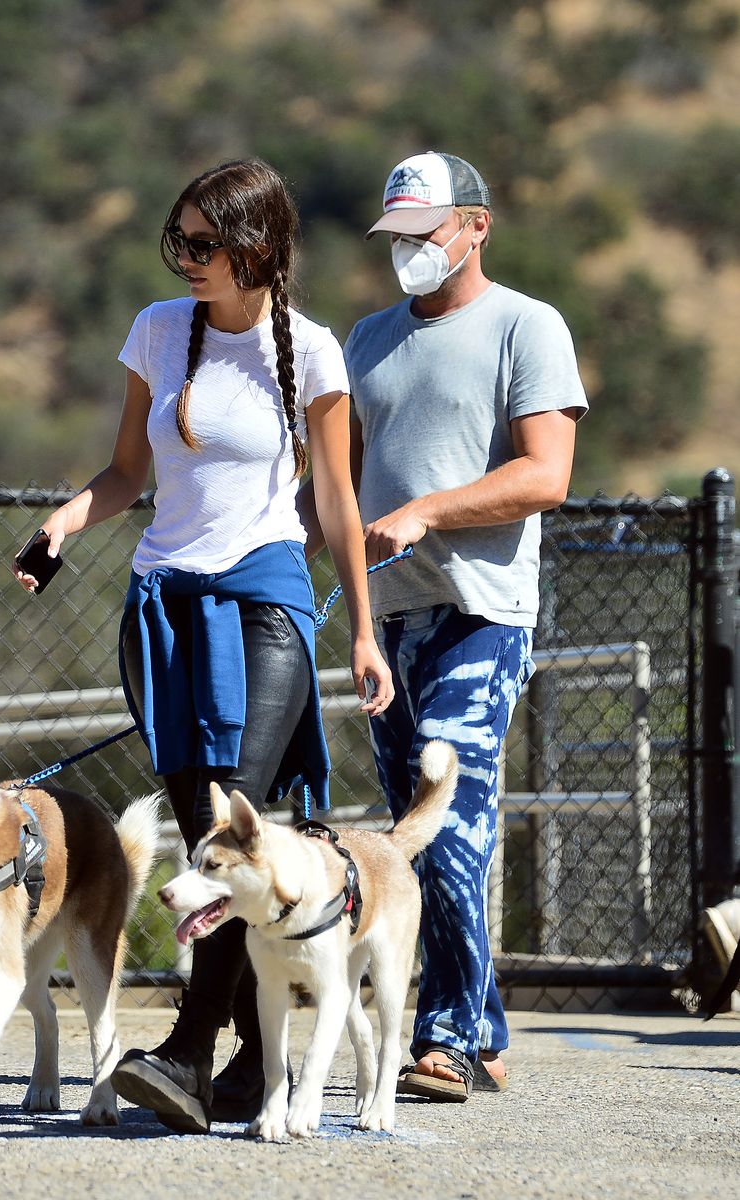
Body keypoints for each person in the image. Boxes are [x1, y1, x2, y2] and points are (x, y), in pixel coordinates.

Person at [13, 158, 393, 1133]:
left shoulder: (313, 354)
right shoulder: (157, 331)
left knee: (236, 819)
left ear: (256, 248)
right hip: (162, 605)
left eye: (201, 242)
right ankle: (254, 1061)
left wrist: (358, 628)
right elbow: (127, 470)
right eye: (175, 240)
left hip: (266, 599)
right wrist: (60, 526)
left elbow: (339, 503)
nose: (184, 258)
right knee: (201, 833)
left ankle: (186, 1050)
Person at [305, 150, 588, 1101]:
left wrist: (428, 509)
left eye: (424, 235)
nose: (407, 255)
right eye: (395, 239)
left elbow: (545, 475)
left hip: (480, 613)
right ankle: (486, 1022)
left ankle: (445, 1033)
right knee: (411, 833)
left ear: (474, 226)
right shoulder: (366, 339)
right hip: (382, 618)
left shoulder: (526, 326)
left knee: (450, 815)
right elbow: (333, 485)